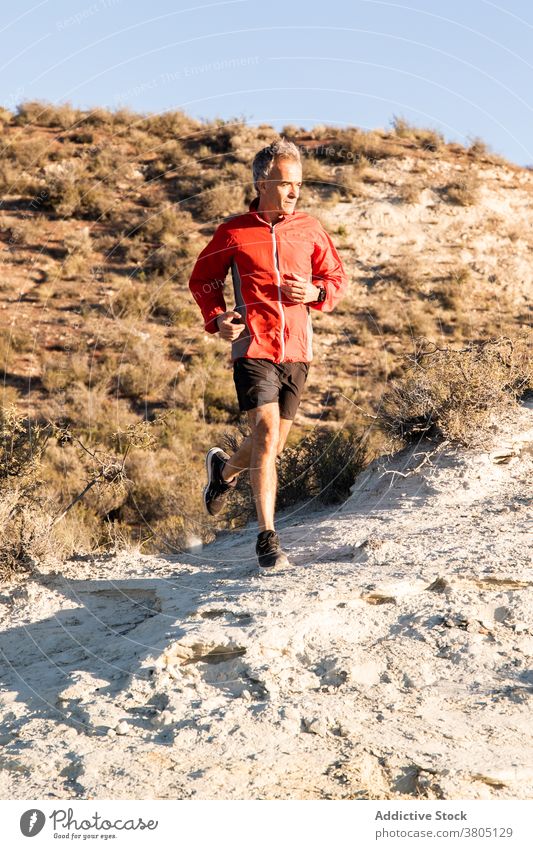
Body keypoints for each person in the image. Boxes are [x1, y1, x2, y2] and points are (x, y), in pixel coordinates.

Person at [188, 138, 348, 569]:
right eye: (286, 183)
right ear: (262, 182)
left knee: (271, 447)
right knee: (263, 432)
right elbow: (202, 280)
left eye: (298, 183)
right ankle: (267, 538)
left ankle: (223, 473)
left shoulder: (310, 228)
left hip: (297, 348)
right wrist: (218, 317)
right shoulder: (234, 231)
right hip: (252, 346)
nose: (295, 191)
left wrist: (316, 292)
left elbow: (336, 278)